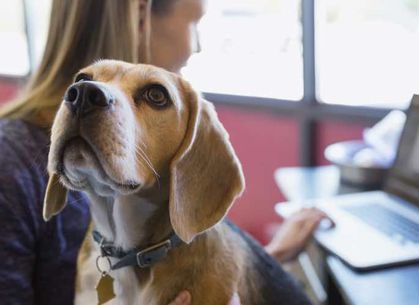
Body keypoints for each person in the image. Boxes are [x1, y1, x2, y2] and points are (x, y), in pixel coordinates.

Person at [0, 1, 329, 305]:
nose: (196, 46)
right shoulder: (9, 162)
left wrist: (262, 264)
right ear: (140, 15)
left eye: (153, 96)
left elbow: (212, 266)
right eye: (195, 24)